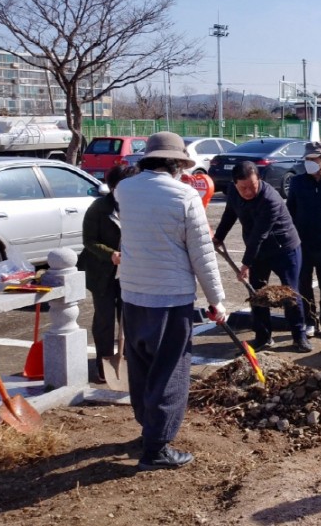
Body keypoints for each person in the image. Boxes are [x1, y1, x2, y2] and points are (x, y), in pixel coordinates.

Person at [114, 132, 227, 471]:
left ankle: (148, 431)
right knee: (170, 372)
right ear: (178, 163)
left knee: (142, 369)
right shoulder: (185, 196)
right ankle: (156, 449)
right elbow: (202, 254)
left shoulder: (125, 191)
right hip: (170, 299)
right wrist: (217, 300)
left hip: (132, 295)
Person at [212, 160, 310, 353]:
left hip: (284, 248)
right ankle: (263, 337)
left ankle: (300, 336)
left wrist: (246, 264)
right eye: (243, 188)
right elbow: (229, 213)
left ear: (260, 180)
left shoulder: (270, 199)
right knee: (257, 294)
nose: (248, 192)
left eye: (252, 186)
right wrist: (218, 237)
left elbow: (259, 234)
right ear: (234, 184)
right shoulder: (233, 191)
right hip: (257, 249)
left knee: (290, 293)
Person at [79, 164, 136, 383]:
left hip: (130, 272)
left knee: (130, 318)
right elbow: (89, 241)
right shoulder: (99, 208)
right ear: (113, 188)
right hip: (102, 272)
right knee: (104, 319)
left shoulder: (137, 207)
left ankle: (130, 361)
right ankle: (103, 363)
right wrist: (111, 254)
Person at [287, 141, 321, 340]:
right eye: (307, 159)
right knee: (304, 285)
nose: (309, 163)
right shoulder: (297, 182)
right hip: (302, 243)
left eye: (313, 159)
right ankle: (310, 321)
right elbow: (290, 211)